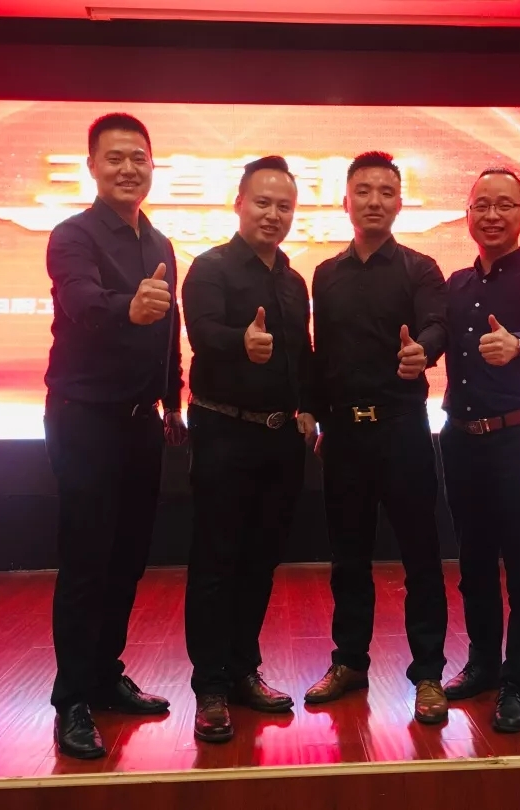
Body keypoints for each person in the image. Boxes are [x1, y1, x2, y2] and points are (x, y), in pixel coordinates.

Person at [43, 113, 188, 760]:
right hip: (84, 419)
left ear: (152, 165)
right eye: (115, 158)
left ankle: (105, 674)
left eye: (139, 158)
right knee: (87, 558)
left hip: (141, 421)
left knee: (128, 556)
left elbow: (169, 329)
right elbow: (80, 302)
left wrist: (174, 403)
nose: (128, 169)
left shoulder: (160, 242)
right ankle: (72, 698)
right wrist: (126, 306)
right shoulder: (72, 236)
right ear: (93, 167)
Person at [303, 151, 450, 724]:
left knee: (421, 556)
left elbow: (436, 324)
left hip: (401, 429)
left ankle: (429, 673)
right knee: (348, 557)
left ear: (399, 203)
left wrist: (423, 351)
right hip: (344, 434)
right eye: (363, 191)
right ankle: (349, 663)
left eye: (386, 192)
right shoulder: (325, 274)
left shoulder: (420, 268)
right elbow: (321, 354)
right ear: (345, 201)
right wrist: (317, 416)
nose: (374, 201)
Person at [181, 156, 317, 743]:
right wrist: (242, 342)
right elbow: (202, 333)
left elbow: (302, 353)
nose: (273, 214)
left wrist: (308, 406)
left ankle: (243, 670)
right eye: (263, 203)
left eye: (284, 206)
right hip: (223, 433)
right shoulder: (209, 268)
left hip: (280, 439)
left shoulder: (293, 280)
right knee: (216, 562)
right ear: (238, 204)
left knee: (261, 559)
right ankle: (210, 687)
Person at [439, 167, 520, 733]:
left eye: (505, 205)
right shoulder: (455, 285)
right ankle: (484, 666)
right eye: (482, 205)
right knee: (472, 563)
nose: (492, 215)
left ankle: (518, 685)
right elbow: (434, 336)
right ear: (468, 213)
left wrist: (519, 343)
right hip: (461, 441)